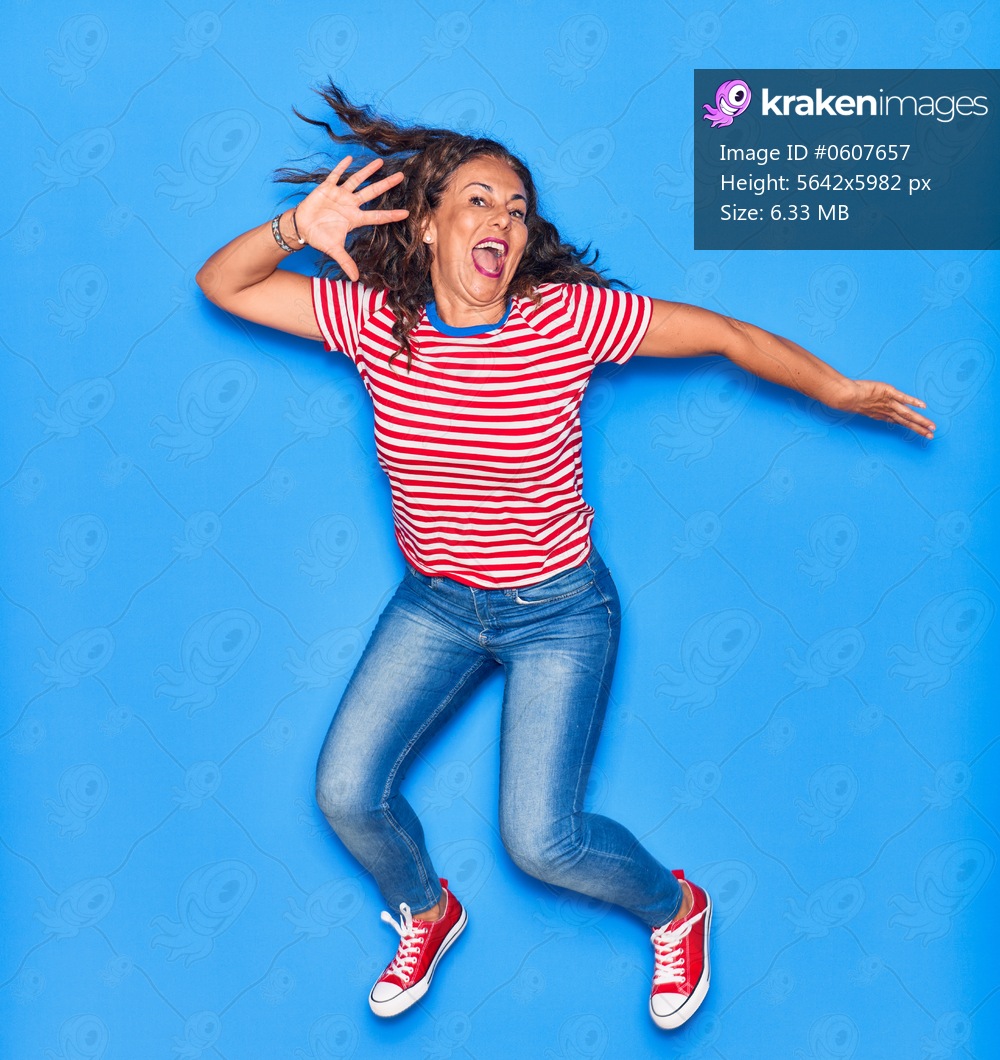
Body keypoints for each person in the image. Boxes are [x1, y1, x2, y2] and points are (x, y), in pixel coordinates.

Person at [196, 85, 934, 1030]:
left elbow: (721, 333)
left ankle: (677, 907)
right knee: (344, 793)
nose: (501, 217)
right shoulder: (377, 321)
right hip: (435, 604)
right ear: (426, 227)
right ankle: (429, 910)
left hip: (559, 611)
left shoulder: (566, 319)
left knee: (541, 845)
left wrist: (832, 388)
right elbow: (226, 284)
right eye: (477, 201)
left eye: (516, 206)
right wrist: (300, 224)